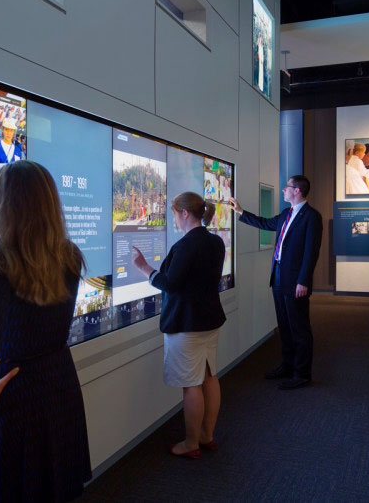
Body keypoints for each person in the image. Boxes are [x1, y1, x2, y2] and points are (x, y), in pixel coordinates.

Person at [0, 160, 91, 501]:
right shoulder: (70, 254)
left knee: (12, 489)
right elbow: (39, 303)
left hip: (14, 394)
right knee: (54, 485)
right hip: (58, 383)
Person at [131, 192, 226, 459]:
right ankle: (207, 436)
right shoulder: (216, 242)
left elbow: (171, 284)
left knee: (191, 385)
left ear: (185, 213)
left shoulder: (186, 245)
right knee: (209, 377)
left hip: (187, 324)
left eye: (174, 213)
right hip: (210, 320)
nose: (173, 219)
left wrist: (144, 268)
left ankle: (191, 443)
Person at [228, 175, 322, 390]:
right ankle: (288, 366)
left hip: (296, 280)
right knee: (284, 325)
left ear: (297, 190)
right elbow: (265, 223)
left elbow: (311, 252)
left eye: (287, 187)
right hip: (278, 276)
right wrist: (241, 211)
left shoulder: (311, 217)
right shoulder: (286, 214)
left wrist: (304, 281)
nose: (283, 190)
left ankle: (302, 373)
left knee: (299, 327)